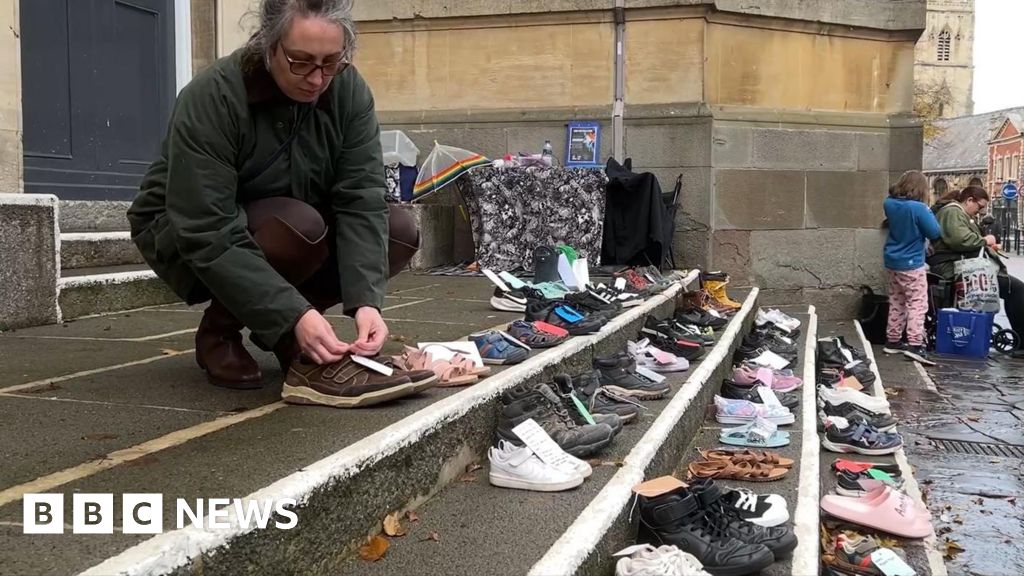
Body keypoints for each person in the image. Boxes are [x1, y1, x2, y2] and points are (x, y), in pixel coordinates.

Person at [127, 0, 426, 406]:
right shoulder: (213, 95)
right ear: (269, 46)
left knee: (399, 231)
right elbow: (206, 226)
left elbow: (361, 199)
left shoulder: (348, 90)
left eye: (330, 62)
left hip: (294, 220)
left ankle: (301, 334)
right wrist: (291, 315)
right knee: (296, 228)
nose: (317, 79)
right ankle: (223, 330)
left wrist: (366, 303)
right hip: (185, 229)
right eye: (300, 62)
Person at [928, 186, 1024, 359]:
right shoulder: (953, 212)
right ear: (969, 200)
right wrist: (984, 240)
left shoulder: (956, 212)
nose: (978, 212)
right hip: (955, 268)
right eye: (979, 207)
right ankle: (1022, 342)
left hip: (960, 265)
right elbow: (960, 240)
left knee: (1014, 288)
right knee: (1016, 289)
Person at [881, 171, 942, 361]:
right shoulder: (919, 208)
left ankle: (893, 340)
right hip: (912, 262)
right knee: (918, 303)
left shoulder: (889, 204)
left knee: (897, 300)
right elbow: (934, 232)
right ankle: (915, 344)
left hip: (892, 259)